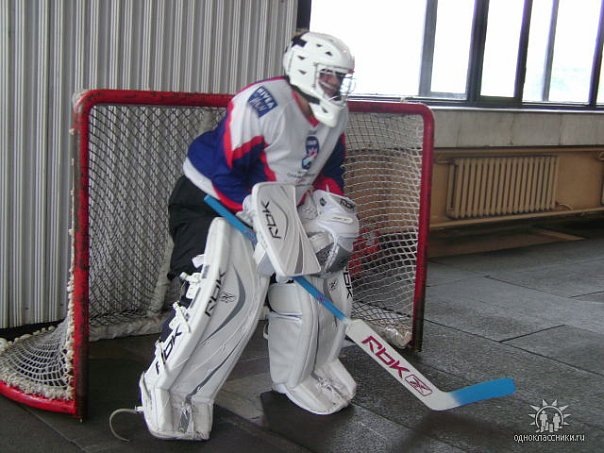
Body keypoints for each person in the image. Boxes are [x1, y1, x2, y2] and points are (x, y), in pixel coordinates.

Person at [137, 31, 360, 441]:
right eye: (329, 76)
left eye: (340, 78)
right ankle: (167, 388)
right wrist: (254, 213)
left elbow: (330, 168)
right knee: (220, 295)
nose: (336, 85)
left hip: (279, 208)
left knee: (315, 290)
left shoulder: (336, 115)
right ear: (305, 70)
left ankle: (301, 374)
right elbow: (224, 172)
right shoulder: (262, 104)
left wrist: (330, 208)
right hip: (211, 201)